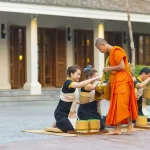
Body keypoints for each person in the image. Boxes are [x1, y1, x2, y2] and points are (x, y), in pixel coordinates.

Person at [95, 38, 138, 135]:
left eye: (99, 49)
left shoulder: (116, 50)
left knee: (123, 103)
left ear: (103, 45)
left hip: (123, 81)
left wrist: (108, 68)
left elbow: (122, 67)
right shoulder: (111, 54)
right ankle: (118, 128)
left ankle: (130, 125)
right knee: (117, 104)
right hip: (117, 81)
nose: (100, 51)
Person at [54, 65, 100, 132]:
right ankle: (58, 123)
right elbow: (79, 85)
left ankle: (62, 122)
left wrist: (82, 102)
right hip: (61, 113)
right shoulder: (68, 83)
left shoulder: (74, 84)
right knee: (70, 129)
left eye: (80, 74)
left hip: (70, 113)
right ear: (71, 74)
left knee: (78, 128)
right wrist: (93, 79)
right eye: (77, 74)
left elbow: (73, 99)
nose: (79, 76)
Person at [77, 65, 106, 130]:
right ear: (90, 77)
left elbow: (98, 104)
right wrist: (98, 81)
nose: (97, 78)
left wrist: (100, 115)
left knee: (101, 125)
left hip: (93, 111)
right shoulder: (86, 85)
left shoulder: (95, 84)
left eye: (97, 76)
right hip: (85, 111)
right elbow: (94, 87)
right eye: (95, 76)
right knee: (97, 125)